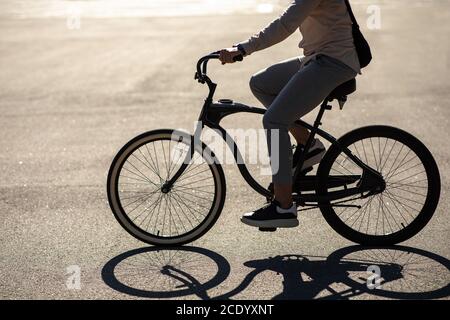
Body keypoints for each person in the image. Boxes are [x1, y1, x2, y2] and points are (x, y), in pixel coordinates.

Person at [219, 0, 360, 228]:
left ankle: (283, 206)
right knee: (261, 83)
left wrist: (242, 48)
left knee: (274, 120)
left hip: (333, 62)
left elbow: (285, 25)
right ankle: (308, 145)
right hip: (316, 57)